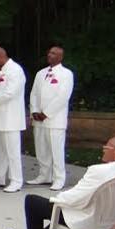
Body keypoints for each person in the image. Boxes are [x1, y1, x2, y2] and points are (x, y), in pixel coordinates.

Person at [7, 135, 115, 229]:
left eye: (106, 148)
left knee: (33, 202)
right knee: (66, 213)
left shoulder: (98, 171)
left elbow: (74, 198)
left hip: (94, 221)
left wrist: (57, 199)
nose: (103, 151)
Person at [27, 45, 75, 190]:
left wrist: (46, 113)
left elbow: (63, 96)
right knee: (41, 148)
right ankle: (44, 175)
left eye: (53, 53)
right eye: (49, 53)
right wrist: (35, 110)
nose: (50, 55)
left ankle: (59, 178)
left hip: (55, 119)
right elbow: (34, 93)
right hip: (39, 118)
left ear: (60, 57)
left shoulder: (66, 74)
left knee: (56, 150)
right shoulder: (40, 73)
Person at [0, 46, 27, 193]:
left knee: (12, 151)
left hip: (9, 119)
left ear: (1, 56)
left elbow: (10, 93)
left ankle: (16, 180)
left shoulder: (15, 70)